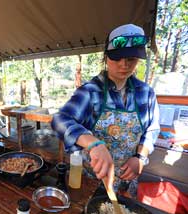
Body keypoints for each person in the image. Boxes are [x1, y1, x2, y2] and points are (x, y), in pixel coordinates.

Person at [51, 24, 160, 197]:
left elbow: (152, 130)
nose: (124, 65)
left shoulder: (146, 94)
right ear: (106, 57)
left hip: (127, 179)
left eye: (131, 59)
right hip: (93, 180)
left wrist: (139, 158)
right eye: (117, 58)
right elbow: (60, 119)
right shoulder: (91, 91)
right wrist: (94, 144)